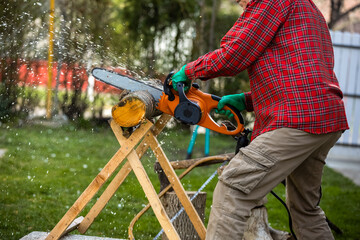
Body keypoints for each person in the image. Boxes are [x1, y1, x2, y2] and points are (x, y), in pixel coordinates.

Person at [171, 0, 349, 239]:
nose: (238, 3)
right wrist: (247, 100)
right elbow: (301, 72)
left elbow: (236, 53)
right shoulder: (306, 8)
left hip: (297, 118)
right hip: (323, 114)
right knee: (305, 209)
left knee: (233, 188)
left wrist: (189, 71)